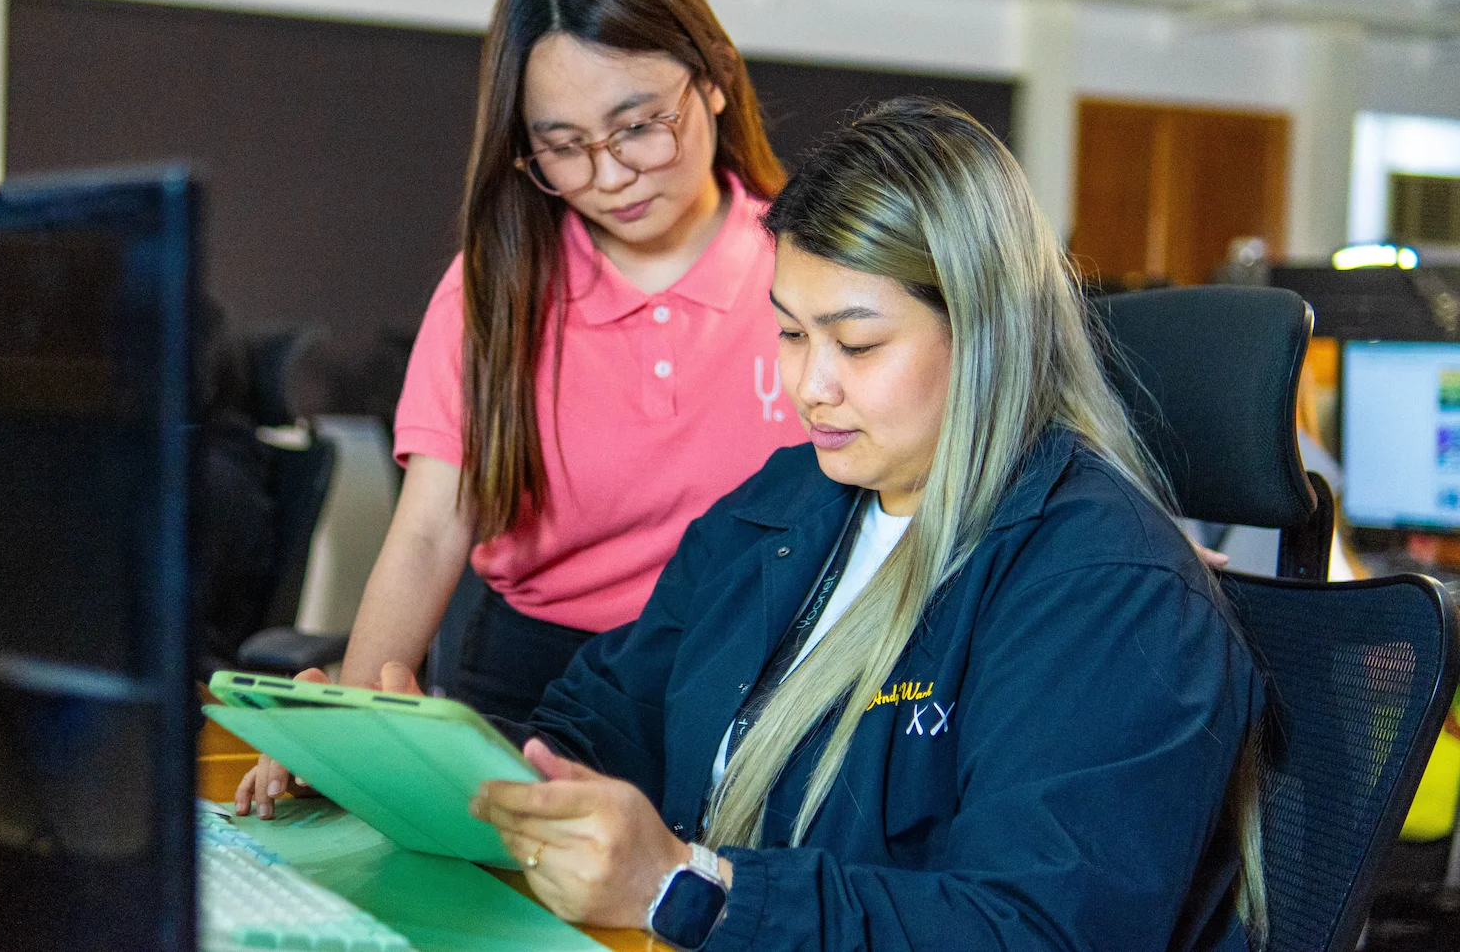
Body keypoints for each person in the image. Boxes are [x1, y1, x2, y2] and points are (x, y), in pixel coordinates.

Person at [455, 99, 1268, 951]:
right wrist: (425, 765)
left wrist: (692, 891)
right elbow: (607, 716)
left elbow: (1033, 929)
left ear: (990, 333)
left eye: (859, 343)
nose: (811, 384)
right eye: (790, 332)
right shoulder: (782, 505)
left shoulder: (1107, 591)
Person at [235, 0, 805, 816]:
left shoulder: (809, 275)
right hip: (532, 698)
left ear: (717, 80)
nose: (609, 174)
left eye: (639, 126)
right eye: (564, 146)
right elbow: (427, 535)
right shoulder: (492, 291)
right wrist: (350, 727)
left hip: (753, 692)